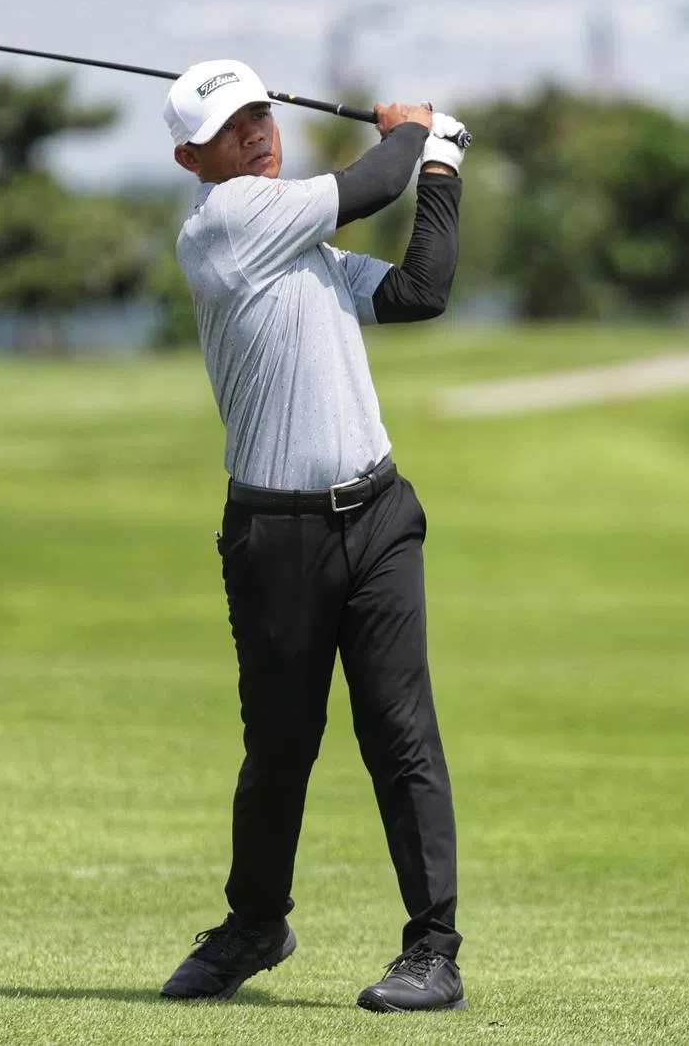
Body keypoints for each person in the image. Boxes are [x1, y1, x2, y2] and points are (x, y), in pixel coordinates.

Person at [156, 59, 468, 1014]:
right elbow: (374, 183)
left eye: (260, 113)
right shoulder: (228, 226)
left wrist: (443, 178)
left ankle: (434, 952)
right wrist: (416, 133)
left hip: (375, 519)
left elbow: (419, 294)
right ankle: (256, 923)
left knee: (400, 735)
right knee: (281, 746)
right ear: (190, 158)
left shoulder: (304, 252)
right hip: (274, 538)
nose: (254, 132)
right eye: (230, 125)